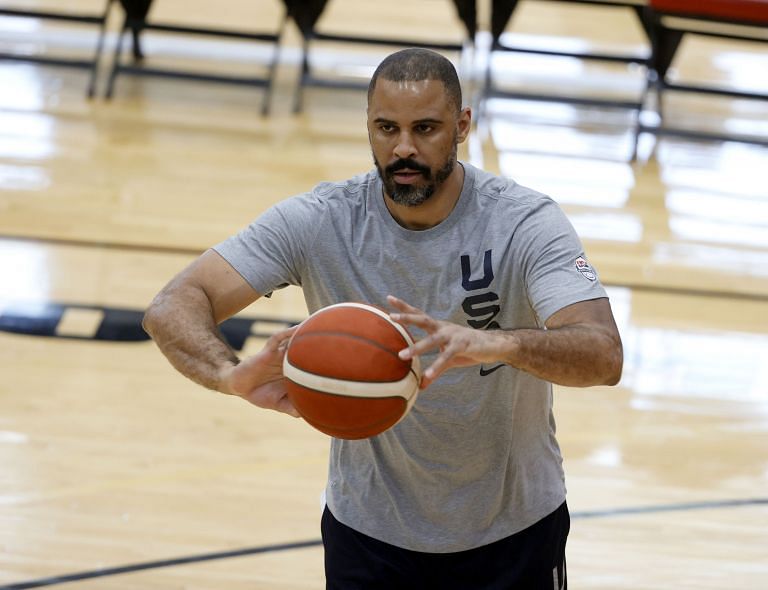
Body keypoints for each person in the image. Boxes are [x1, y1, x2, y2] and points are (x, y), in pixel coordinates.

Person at [143, 47, 623, 589]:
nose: (404, 149)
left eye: (425, 128)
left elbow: (603, 355)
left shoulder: (524, 223)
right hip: (367, 538)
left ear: (462, 126)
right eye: (386, 128)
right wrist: (229, 376)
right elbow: (173, 304)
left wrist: (497, 344)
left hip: (512, 535)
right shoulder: (321, 220)